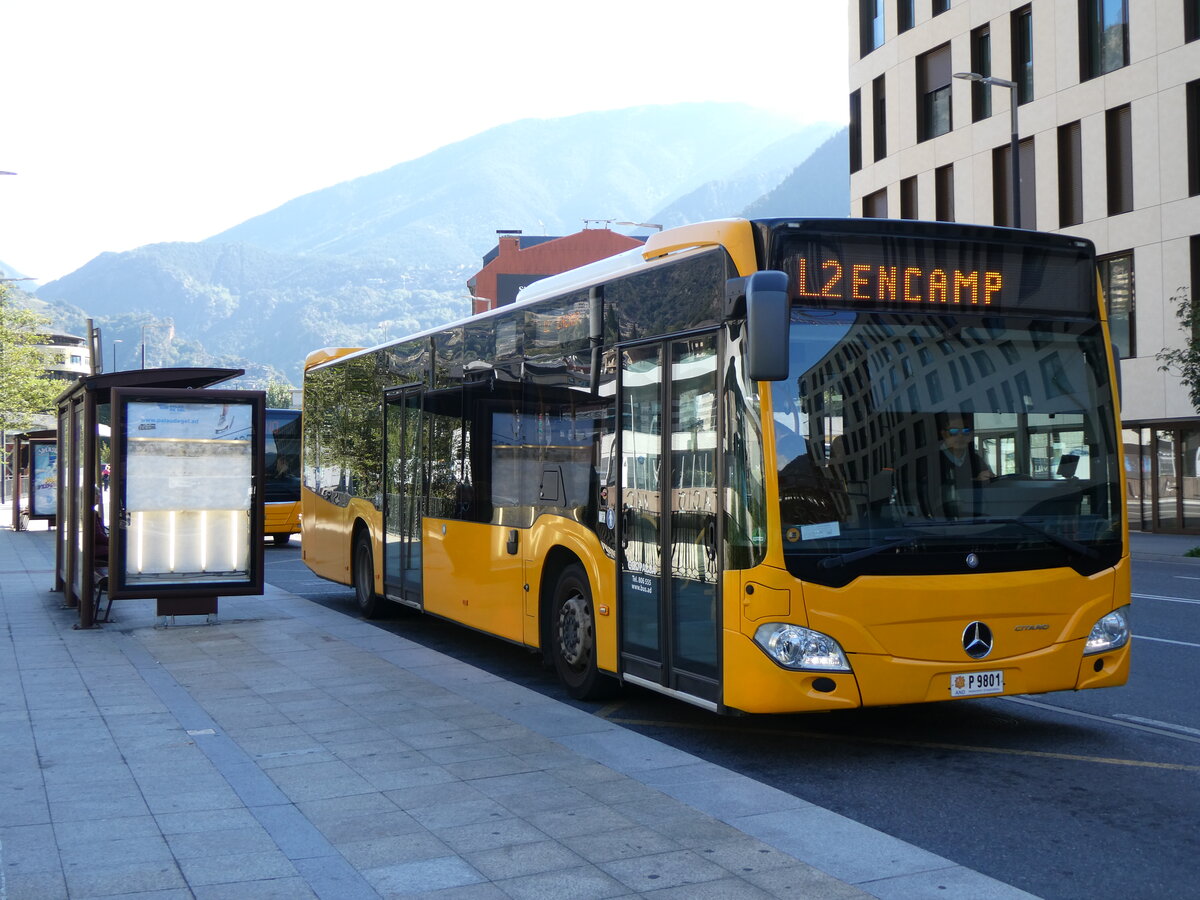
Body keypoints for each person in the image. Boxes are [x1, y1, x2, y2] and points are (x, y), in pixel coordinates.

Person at [935, 412, 993, 517]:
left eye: (965, 431)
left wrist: (988, 478)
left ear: (970, 435)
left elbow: (989, 486)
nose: (960, 436)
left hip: (974, 517)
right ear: (944, 434)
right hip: (938, 520)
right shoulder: (931, 461)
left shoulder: (976, 460)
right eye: (954, 431)